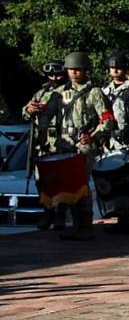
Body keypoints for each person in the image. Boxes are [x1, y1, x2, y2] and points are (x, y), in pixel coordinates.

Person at [28, 52, 115, 240]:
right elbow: (45, 115)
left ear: (85, 70)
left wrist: (93, 136)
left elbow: (107, 120)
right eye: (71, 70)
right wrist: (38, 126)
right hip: (63, 144)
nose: (74, 73)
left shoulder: (94, 93)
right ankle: (75, 224)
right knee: (67, 186)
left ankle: (85, 226)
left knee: (81, 186)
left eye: (78, 69)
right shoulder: (59, 94)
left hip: (83, 145)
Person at [99, 53, 129, 234]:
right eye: (112, 67)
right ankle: (120, 217)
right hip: (112, 141)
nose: (116, 70)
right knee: (115, 181)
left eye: (119, 67)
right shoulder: (105, 91)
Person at [25, 60, 68, 230]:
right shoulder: (42, 92)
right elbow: (26, 110)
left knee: (62, 181)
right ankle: (47, 212)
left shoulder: (68, 91)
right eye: (51, 75)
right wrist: (30, 109)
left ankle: (61, 216)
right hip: (42, 143)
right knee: (41, 181)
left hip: (61, 140)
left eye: (58, 74)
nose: (54, 77)